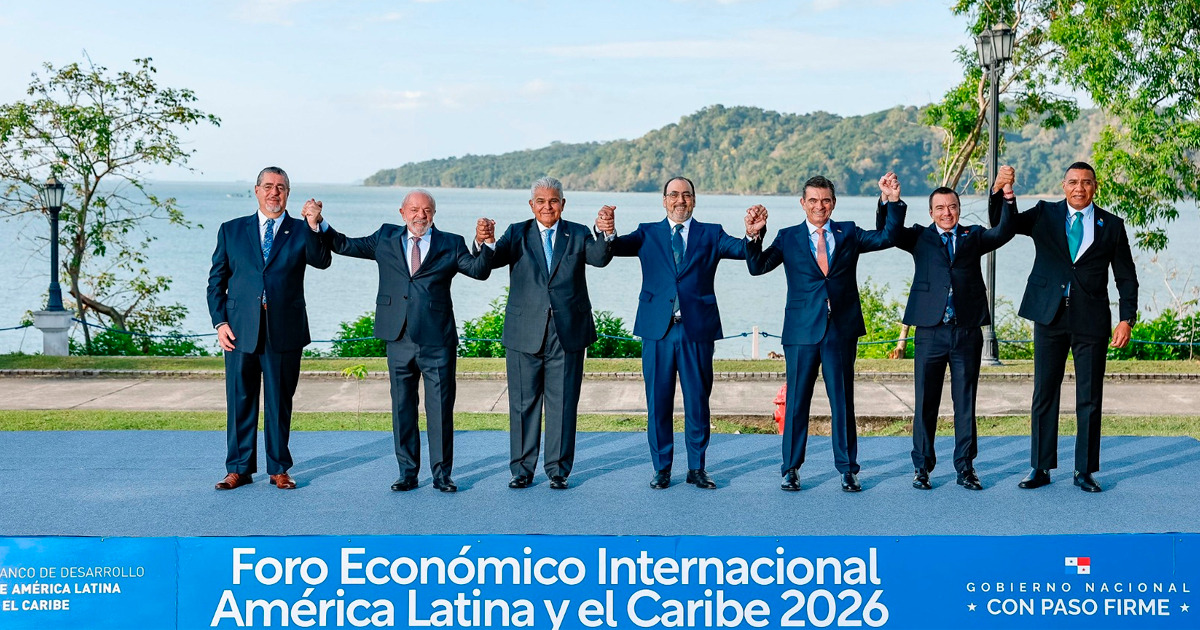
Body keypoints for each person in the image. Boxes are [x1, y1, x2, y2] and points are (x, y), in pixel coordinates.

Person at [303, 190, 493, 493]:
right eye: (414, 209)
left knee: (440, 410)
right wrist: (319, 222)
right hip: (397, 336)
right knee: (403, 408)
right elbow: (343, 244)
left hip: (437, 340)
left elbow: (479, 271)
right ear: (402, 213)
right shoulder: (385, 237)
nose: (420, 215)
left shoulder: (451, 243)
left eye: (427, 210)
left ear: (434, 214)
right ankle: (407, 473)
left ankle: (442, 475)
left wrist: (484, 243)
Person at [745, 174, 905, 492]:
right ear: (803, 203)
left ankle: (848, 469)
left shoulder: (849, 232)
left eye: (826, 200)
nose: (820, 206)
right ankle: (790, 469)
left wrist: (891, 201)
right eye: (813, 200)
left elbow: (888, 237)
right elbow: (757, 267)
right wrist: (753, 236)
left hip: (840, 330)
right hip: (801, 332)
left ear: (834, 203)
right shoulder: (788, 237)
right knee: (796, 403)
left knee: (842, 402)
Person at [993, 161, 1138, 493]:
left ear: (1095, 186)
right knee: (1044, 393)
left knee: (1089, 397)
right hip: (1049, 315)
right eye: (1073, 182)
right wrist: (1003, 193)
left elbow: (1126, 276)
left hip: (1091, 319)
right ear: (1063, 185)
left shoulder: (1112, 225)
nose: (1079, 188)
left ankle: (1084, 470)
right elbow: (1005, 226)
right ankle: (1041, 467)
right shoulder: (1045, 214)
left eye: (1086, 182)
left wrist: (1126, 319)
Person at [883, 168, 1015, 491]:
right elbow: (890, 233)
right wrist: (892, 200)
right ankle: (922, 468)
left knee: (965, 403)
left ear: (958, 209)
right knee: (925, 403)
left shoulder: (974, 236)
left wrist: (1007, 196)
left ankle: (966, 468)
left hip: (966, 331)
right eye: (940, 208)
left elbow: (1004, 232)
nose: (947, 213)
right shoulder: (919, 237)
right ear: (931, 212)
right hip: (930, 331)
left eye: (952, 207)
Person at [611, 176, 747, 490]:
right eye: (674, 195)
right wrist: (607, 231)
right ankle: (662, 469)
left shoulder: (711, 233)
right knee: (658, 402)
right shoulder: (647, 232)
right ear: (664, 200)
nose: (680, 200)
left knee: (698, 402)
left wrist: (753, 234)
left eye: (686, 195)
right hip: (657, 332)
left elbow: (742, 250)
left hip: (696, 331)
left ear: (694, 200)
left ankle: (697, 468)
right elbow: (615, 247)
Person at [479, 177, 613, 490]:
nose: (547, 207)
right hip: (524, 331)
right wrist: (486, 242)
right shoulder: (517, 232)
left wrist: (606, 232)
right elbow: (489, 263)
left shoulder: (577, 232)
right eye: (541, 201)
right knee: (522, 404)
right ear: (531, 205)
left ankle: (558, 471)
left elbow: (599, 258)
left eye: (553, 201)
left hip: (567, 332)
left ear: (563, 204)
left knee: (562, 404)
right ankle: (521, 470)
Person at [206, 166, 331, 490]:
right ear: (257, 190)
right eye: (268, 186)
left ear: (288, 193)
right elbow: (216, 282)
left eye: (281, 187)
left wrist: (314, 224)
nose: (274, 192)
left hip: (284, 331)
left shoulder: (301, 229)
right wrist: (220, 322)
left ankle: (279, 468)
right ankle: (238, 469)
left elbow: (322, 260)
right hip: (239, 331)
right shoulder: (231, 230)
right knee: (240, 401)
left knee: (279, 402)